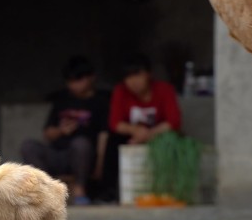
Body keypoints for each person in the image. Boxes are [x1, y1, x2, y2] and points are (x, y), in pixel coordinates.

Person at [21, 56, 110, 205]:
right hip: (58, 154)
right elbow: (48, 133)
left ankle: (79, 189)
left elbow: (103, 135)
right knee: (28, 146)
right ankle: (46, 191)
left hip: (83, 157)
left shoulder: (100, 102)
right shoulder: (62, 100)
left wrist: (100, 165)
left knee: (80, 144)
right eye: (70, 81)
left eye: (78, 80)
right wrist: (61, 131)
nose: (74, 85)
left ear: (91, 78)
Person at [101, 53, 182, 200]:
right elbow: (115, 123)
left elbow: (173, 122)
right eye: (129, 77)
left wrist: (149, 134)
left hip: (159, 135)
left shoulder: (164, 90)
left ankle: (170, 189)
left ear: (148, 74)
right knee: (112, 140)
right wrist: (136, 131)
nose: (133, 81)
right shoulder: (120, 91)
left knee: (174, 141)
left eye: (138, 75)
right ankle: (108, 191)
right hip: (131, 135)